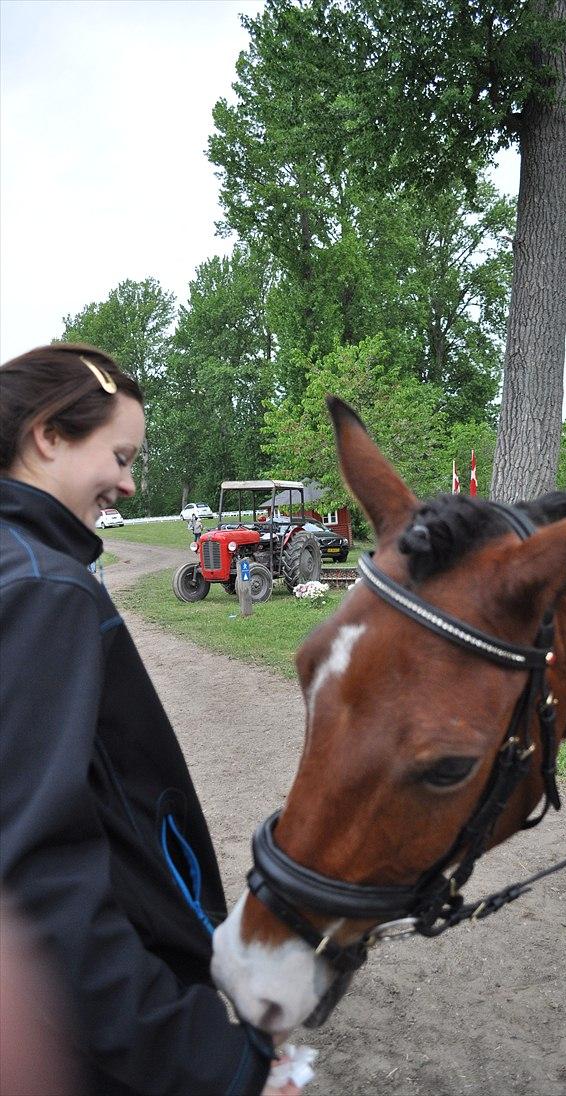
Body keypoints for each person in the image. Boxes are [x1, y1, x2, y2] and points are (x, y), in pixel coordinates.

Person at [0, 344, 300, 1096]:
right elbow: (38, 882)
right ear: (48, 436)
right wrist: (214, 1063)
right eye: (121, 454)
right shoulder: (44, 589)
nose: (131, 482)